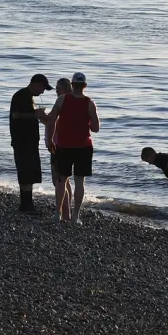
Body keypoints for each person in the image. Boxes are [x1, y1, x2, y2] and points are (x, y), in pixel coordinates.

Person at [46, 72, 100, 224]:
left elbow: (51, 120)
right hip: (83, 146)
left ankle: (58, 213)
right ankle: (75, 216)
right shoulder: (89, 103)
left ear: (72, 84)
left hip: (64, 145)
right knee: (79, 182)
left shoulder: (62, 99)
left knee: (61, 180)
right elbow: (95, 128)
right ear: (85, 86)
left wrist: (50, 140)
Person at [9, 74, 52, 213]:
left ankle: (26, 203)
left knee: (28, 172)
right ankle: (26, 204)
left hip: (27, 141)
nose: (42, 92)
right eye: (42, 88)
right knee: (26, 172)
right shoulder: (22, 95)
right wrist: (36, 114)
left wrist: (37, 114)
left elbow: (22, 114)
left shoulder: (27, 97)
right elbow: (16, 115)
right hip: (23, 140)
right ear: (36, 84)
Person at [45, 77, 73, 222]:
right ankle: (66, 213)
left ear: (67, 89)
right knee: (63, 181)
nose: (56, 90)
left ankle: (65, 214)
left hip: (59, 145)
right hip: (62, 144)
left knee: (59, 181)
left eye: (59, 87)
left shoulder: (63, 102)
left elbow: (55, 122)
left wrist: (44, 118)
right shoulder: (68, 101)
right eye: (56, 87)